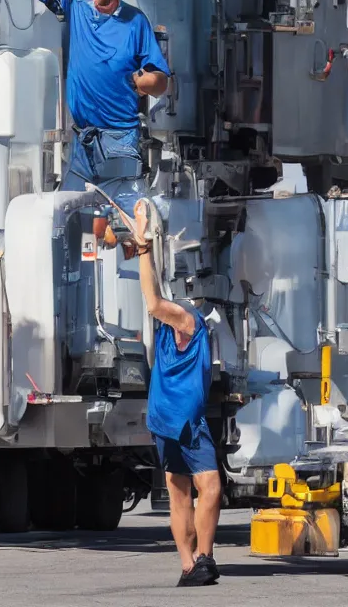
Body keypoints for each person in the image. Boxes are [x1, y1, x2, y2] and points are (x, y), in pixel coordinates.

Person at [19, 0, 170, 191]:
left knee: (124, 216)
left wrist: (141, 80)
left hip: (119, 139)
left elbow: (161, 82)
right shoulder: (76, 7)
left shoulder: (135, 22)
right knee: (71, 217)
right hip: (82, 140)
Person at [130, 197, 221, 587]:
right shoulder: (187, 321)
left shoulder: (181, 327)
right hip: (179, 420)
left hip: (174, 417)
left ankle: (196, 562)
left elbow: (156, 299)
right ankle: (197, 559)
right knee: (203, 485)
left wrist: (144, 236)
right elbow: (152, 301)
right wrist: (144, 247)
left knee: (186, 489)